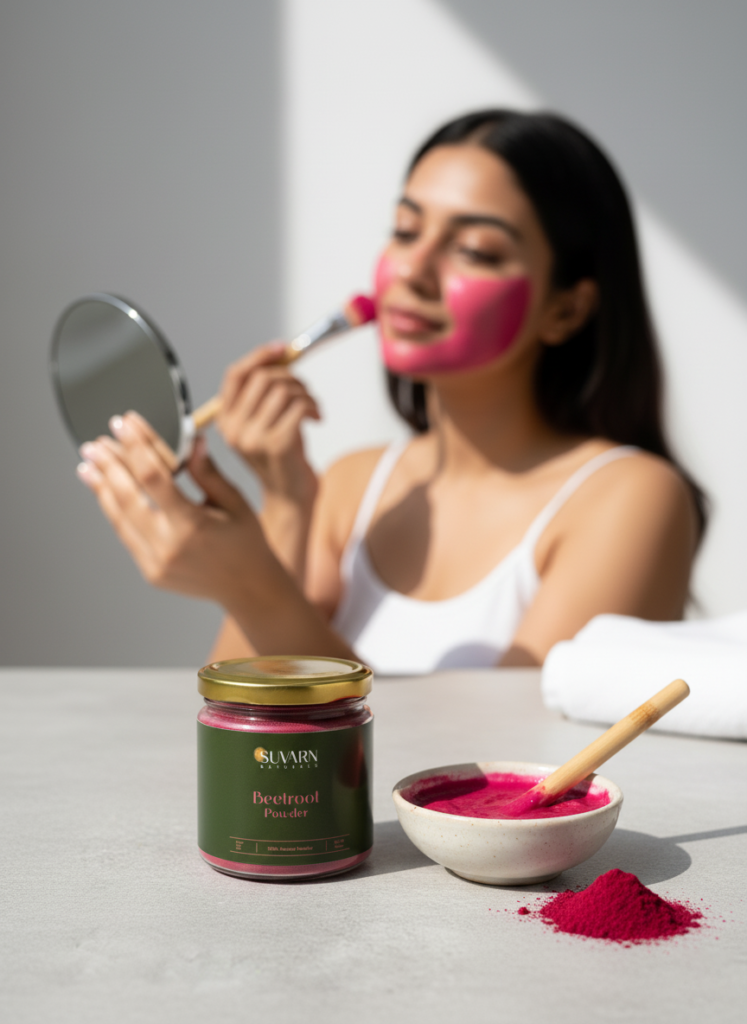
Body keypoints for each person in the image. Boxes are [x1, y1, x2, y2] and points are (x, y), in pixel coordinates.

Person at [76, 109, 706, 673]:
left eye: (474, 249)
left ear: (566, 310)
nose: (412, 270)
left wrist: (253, 586)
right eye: (406, 232)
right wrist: (286, 502)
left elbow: (500, 777)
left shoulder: (629, 498)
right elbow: (240, 716)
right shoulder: (350, 488)